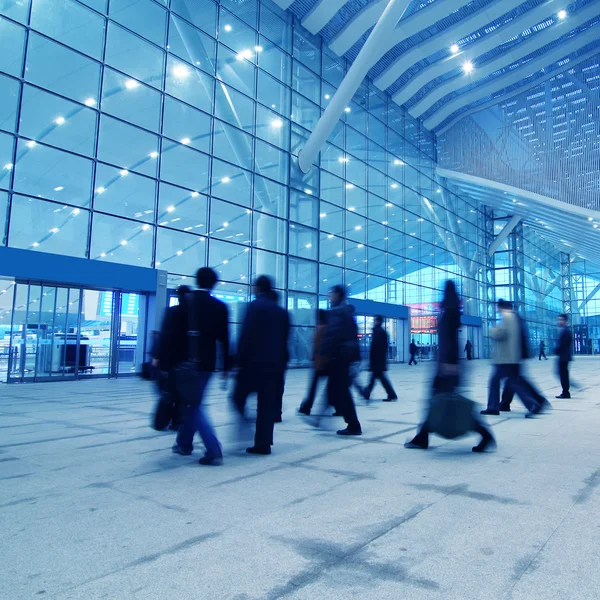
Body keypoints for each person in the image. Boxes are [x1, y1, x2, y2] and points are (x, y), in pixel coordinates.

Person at [405, 281, 495, 453]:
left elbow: (449, 342)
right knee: (437, 402)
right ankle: (422, 437)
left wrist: (448, 365)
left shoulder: (449, 314)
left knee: (446, 403)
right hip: (447, 365)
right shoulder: (452, 312)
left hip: (447, 367)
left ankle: (485, 435)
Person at [154, 268, 229, 466]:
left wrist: (163, 364)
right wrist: (227, 369)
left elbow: (169, 337)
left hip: (184, 365)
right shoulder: (220, 307)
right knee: (192, 403)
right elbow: (225, 340)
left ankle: (213, 450)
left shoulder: (185, 303)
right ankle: (184, 443)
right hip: (207, 366)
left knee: (194, 405)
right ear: (214, 283)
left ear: (197, 280)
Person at [235, 275, 290, 455]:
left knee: (237, 397)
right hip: (274, 365)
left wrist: (239, 360)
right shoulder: (282, 312)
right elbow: (284, 340)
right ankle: (263, 443)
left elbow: (247, 335)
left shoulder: (255, 306)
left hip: (254, 364)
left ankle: (245, 425)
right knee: (266, 405)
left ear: (258, 288)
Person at [481, 300, 543, 417]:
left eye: (497, 308)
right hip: (513, 356)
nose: (497, 310)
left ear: (500, 307)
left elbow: (500, 334)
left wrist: (492, 330)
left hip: (505, 358)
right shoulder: (515, 317)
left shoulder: (506, 317)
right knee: (513, 382)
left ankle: (531, 404)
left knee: (498, 381)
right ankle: (531, 404)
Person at [320, 285, 362, 436]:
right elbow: (353, 336)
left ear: (337, 295)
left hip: (338, 357)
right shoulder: (348, 312)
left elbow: (331, 334)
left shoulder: (336, 312)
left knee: (340, 392)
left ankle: (353, 424)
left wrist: (323, 352)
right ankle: (323, 418)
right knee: (336, 390)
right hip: (346, 357)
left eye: (330, 294)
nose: (329, 297)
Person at [153, 285, 190, 430]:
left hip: (170, 360)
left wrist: (158, 357)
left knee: (169, 391)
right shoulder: (191, 315)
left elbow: (163, 337)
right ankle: (176, 421)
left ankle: (162, 421)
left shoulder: (170, 312)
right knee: (181, 394)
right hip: (184, 361)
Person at [298, 309, 329, 416]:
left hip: (319, 362)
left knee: (313, 387)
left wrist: (312, 357)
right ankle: (307, 407)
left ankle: (306, 407)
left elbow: (317, 345)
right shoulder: (327, 328)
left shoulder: (320, 328)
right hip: (325, 362)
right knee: (329, 387)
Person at [363, 315, 398, 402]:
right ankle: (368, 393)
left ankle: (391, 394)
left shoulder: (378, 332)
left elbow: (376, 347)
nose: (374, 322)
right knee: (377, 378)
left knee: (379, 378)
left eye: (375, 320)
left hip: (377, 360)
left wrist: (373, 360)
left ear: (378, 321)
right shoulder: (381, 332)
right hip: (379, 360)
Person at [555, 314, 573, 399]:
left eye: (561, 320)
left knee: (563, 375)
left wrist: (557, 350)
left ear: (565, 321)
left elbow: (563, 345)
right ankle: (565, 391)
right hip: (564, 357)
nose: (559, 321)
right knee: (562, 374)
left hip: (564, 357)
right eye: (559, 320)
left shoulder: (566, 331)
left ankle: (565, 392)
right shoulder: (565, 331)